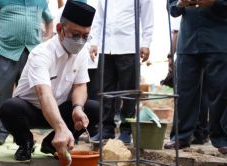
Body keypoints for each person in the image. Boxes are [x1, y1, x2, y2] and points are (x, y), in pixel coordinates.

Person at [0, 1, 98, 161]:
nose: (80, 41)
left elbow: (80, 85)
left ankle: (50, 144)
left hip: (60, 109)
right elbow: (44, 94)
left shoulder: (82, 52)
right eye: (75, 35)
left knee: (93, 109)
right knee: (9, 108)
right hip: (31, 110)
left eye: (85, 36)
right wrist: (60, 127)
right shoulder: (42, 54)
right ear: (60, 29)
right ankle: (25, 142)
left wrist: (77, 107)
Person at [0, 0, 54, 145]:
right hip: (6, 51)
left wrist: (47, 39)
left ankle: (22, 132)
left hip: (32, 53)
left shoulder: (41, 1)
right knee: (2, 93)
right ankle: (0, 132)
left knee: (29, 95)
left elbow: (49, 20)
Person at [164, 0, 227, 155]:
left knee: (220, 90)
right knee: (184, 92)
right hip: (188, 41)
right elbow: (172, 9)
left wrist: (214, 2)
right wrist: (180, 3)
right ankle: (181, 136)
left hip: (218, 40)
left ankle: (222, 138)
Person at [88, 0, 154, 143]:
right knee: (106, 91)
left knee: (129, 92)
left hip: (129, 45)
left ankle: (126, 130)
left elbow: (147, 18)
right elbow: (99, 18)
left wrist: (146, 43)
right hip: (106, 46)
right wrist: (94, 42)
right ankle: (106, 129)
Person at [161, 16, 209, 145]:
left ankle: (186, 134)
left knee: (187, 93)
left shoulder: (184, 8)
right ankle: (201, 133)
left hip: (188, 48)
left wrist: (170, 55)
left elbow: (176, 32)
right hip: (207, 47)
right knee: (203, 93)